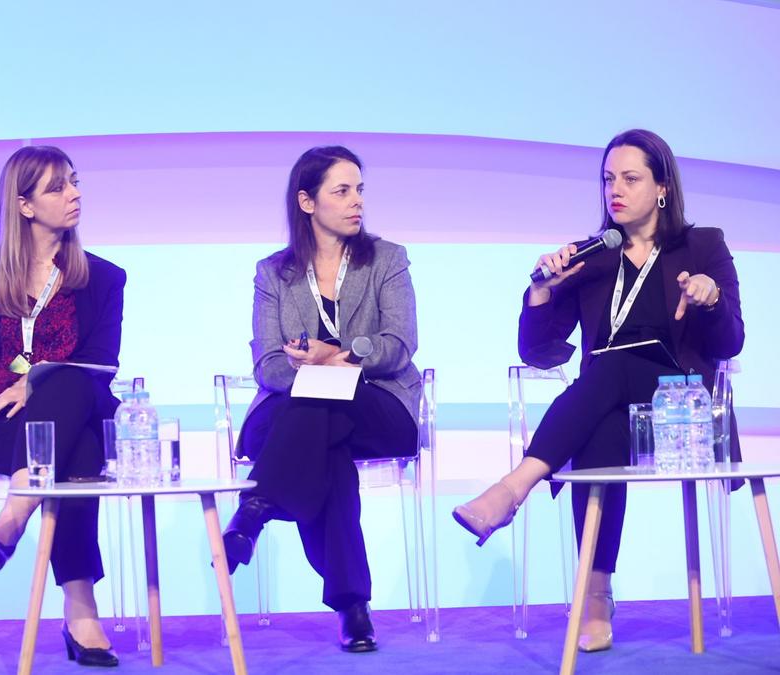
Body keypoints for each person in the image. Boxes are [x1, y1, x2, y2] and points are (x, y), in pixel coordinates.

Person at [453, 129, 745, 652]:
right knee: (600, 419)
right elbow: (540, 352)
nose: (616, 190)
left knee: (609, 368)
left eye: (630, 179)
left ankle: (514, 488)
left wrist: (712, 298)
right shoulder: (594, 257)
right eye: (609, 179)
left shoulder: (702, 246)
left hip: (682, 414)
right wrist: (542, 290)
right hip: (612, 409)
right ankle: (594, 594)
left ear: (662, 187)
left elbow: (731, 341)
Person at [221, 146, 423, 653]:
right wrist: (312, 371)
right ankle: (353, 605)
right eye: (343, 191)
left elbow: (399, 345)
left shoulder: (388, 259)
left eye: (360, 190)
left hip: (376, 405)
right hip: (296, 410)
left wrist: (337, 354)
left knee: (319, 413)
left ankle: (256, 506)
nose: (357, 201)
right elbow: (268, 364)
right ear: (307, 202)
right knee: (325, 444)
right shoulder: (273, 273)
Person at [0, 145, 125, 668]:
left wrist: (39, 383)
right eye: (58, 187)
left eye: (75, 181)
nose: (74, 194)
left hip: (71, 415)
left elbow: (102, 365)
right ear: (23, 205)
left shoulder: (104, 278)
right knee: (77, 443)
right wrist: (17, 384)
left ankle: (14, 514)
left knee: (70, 385)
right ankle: (81, 610)